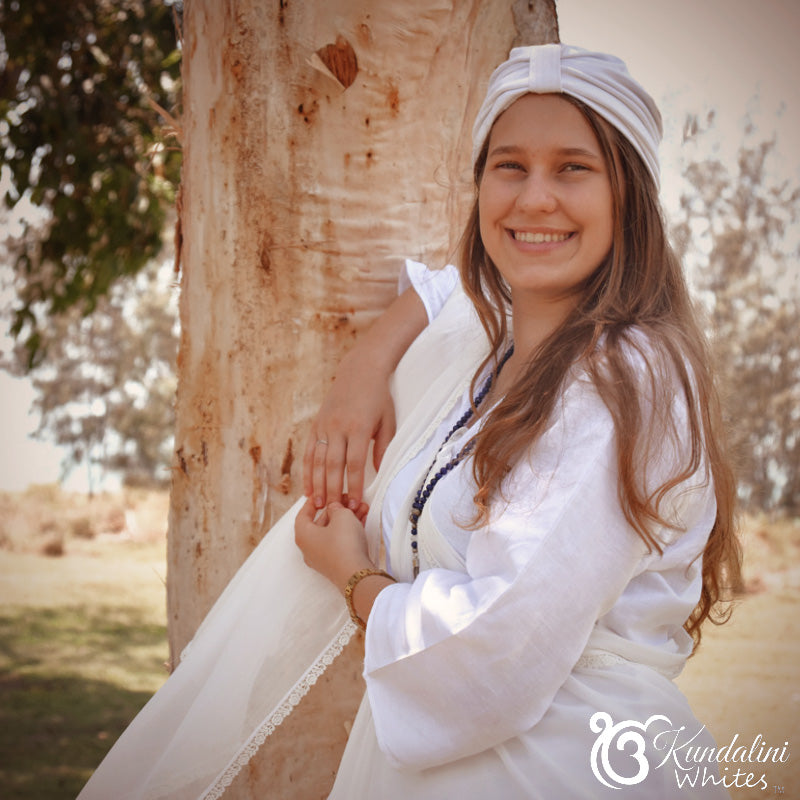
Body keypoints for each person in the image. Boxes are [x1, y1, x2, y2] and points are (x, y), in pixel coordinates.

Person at [79, 44, 741, 799]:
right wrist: (360, 373)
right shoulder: (496, 357)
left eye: (573, 168)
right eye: (509, 166)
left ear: (630, 195)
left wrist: (353, 575)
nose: (534, 199)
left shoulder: (626, 378)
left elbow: (493, 651)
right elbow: (447, 286)